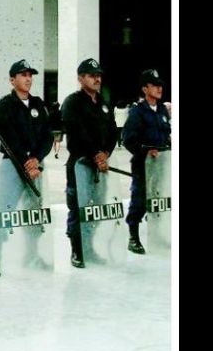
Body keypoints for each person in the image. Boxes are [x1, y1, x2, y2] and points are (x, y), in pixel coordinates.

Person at [0, 59, 53, 277]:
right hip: (13, 166)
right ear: (12, 80)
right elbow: (7, 135)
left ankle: (32, 254)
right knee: (4, 212)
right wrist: (26, 160)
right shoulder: (5, 105)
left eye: (30, 75)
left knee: (34, 212)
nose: (28, 79)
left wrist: (37, 158)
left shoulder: (38, 104)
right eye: (23, 75)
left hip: (35, 166)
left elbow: (47, 136)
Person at [60, 58, 117, 268]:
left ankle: (89, 247)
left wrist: (106, 153)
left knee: (96, 209)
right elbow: (77, 132)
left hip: (100, 166)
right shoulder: (72, 103)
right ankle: (77, 250)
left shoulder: (103, 103)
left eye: (98, 75)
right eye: (92, 75)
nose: (97, 79)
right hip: (80, 164)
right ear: (81, 78)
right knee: (78, 209)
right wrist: (95, 154)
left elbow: (113, 131)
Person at [122, 69, 171, 254]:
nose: (159, 88)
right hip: (144, 164)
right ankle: (133, 236)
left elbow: (165, 133)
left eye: (160, 85)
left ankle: (159, 234)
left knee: (161, 199)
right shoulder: (137, 112)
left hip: (162, 164)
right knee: (140, 199)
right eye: (154, 85)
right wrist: (145, 151)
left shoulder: (162, 110)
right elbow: (128, 139)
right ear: (144, 89)